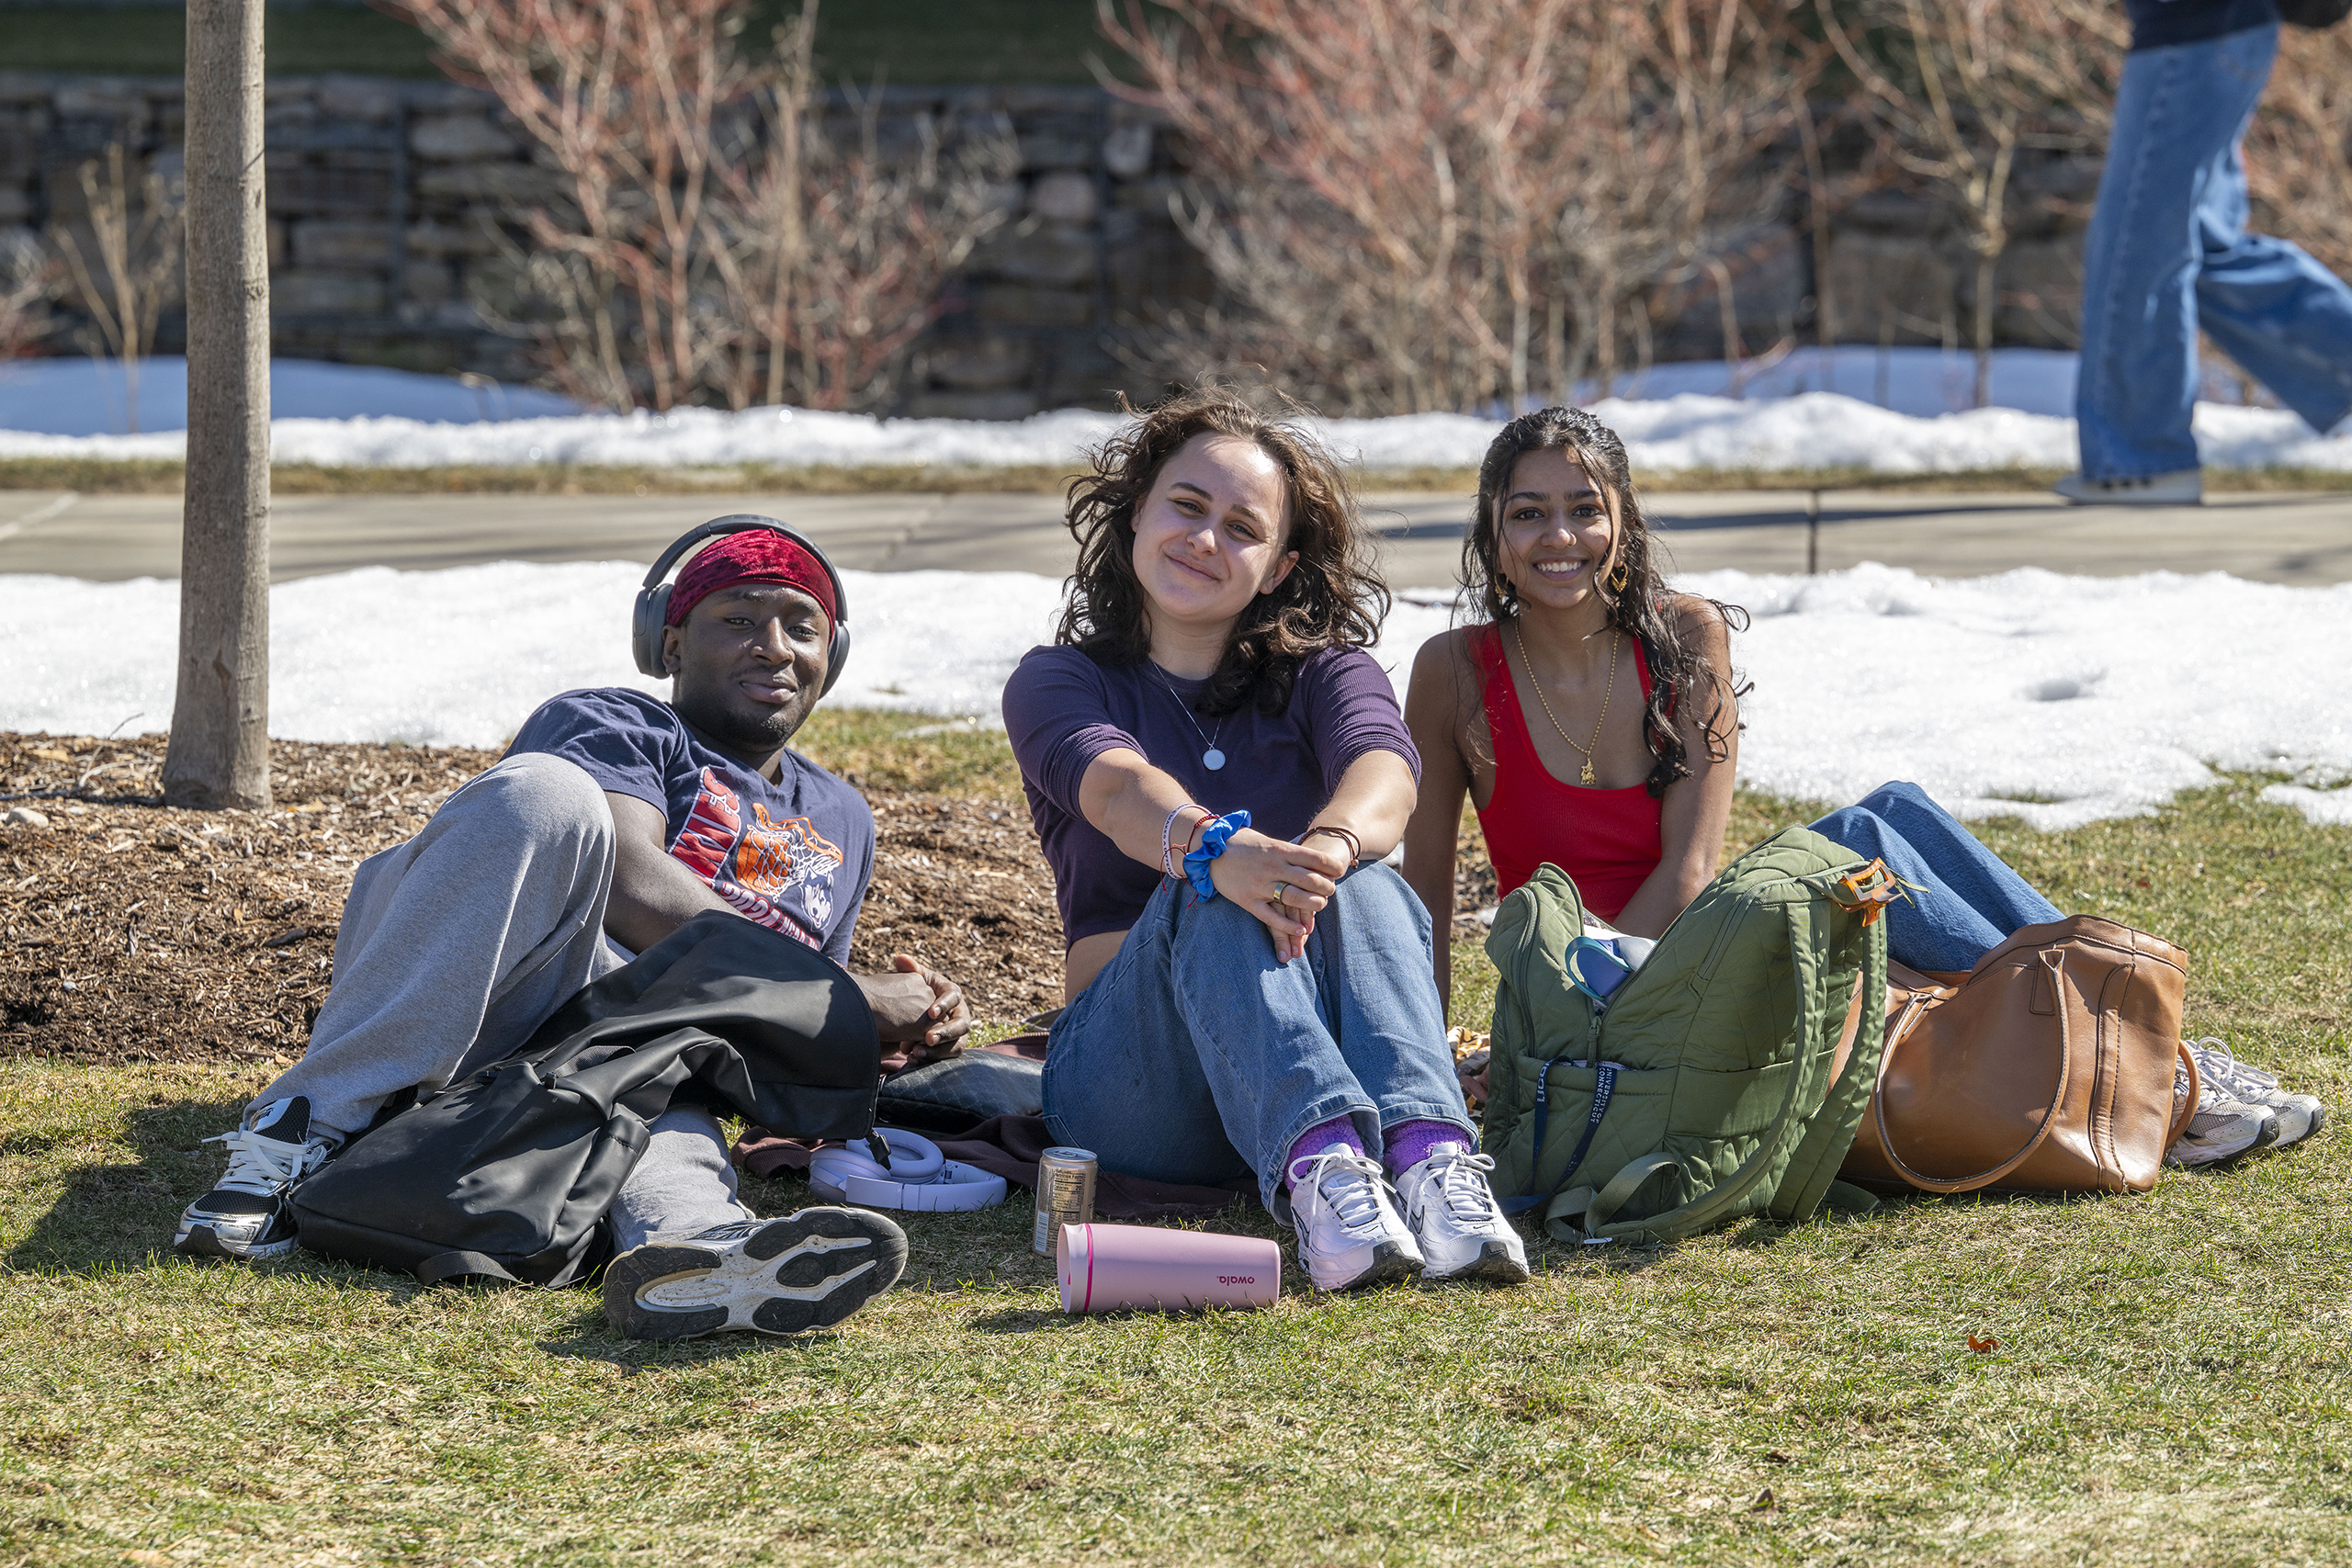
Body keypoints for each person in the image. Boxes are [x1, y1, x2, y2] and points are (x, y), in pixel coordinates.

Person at [1403, 407, 2325, 1165]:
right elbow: (1427, 895)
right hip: (1586, 994)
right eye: (1527, 513)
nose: (1557, 536)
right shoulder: (1452, 670)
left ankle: (2142, 1040)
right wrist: (1426, 1061)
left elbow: (1690, 869)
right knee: (1864, 840)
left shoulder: (1683, 636)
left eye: (1582, 509)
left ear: (1622, 520)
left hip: (1688, 946)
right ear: (1491, 529)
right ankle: (2150, 1052)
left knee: (1888, 818)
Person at [174, 520, 974, 1340]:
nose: (773, 647)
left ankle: (704, 1257)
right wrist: (845, 993)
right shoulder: (614, 722)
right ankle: (303, 1125)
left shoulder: (844, 816)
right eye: (736, 619)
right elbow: (632, 879)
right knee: (547, 793)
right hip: (512, 991)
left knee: (665, 1073)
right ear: (666, 645)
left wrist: (905, 1021)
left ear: (830, 660)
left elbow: (789, 1015)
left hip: (636, 1064)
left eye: (801, 628)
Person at [1001, 389, 1529, 1292]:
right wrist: (1212, 848)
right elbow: (1121, 790)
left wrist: (1325, 848)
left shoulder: (1327, 675)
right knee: (1204, 883)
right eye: (1186, 507)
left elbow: (1386, 776)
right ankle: (1326, 1171)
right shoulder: (1058, 682)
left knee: (1361, 879)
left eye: (1241, 527)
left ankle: (1430, 1165)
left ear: (1280, 567)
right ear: (1136, 518)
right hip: (1132, 1087)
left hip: (1304, 1045)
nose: (1206, 540)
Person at [2056, 0, 2352, 505]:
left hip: (2196, 31)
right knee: (2211, 250)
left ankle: (2140, 457)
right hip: (2217, 33)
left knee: (2137, 247)